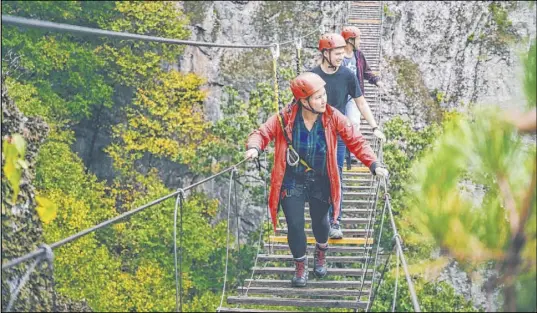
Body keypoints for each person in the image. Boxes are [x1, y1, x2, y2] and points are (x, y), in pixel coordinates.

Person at [244, 72, 389, 287]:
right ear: (304, 101)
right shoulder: (285, 118)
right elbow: (262, 132)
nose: (324, 100)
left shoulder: (333, 116)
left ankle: (321, 251)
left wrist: (374, 164)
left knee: (321, 223)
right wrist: (254, 147)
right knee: (294, 225)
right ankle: (300, 266)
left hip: (321, 178)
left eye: (324, 95)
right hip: (292, 179)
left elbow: (356, 141)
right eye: (318, 97)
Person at [309, 33, 386, 239]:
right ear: (325, 53)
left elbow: (360, 102)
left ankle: (335, 222)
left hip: (339, 134)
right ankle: (320, 217)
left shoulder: (348, 76)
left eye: (343, 53)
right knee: (316, 176)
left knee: (337, 174)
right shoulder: (312, 77)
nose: (341, 57)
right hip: (315, 135)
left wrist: (374, 126)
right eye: (337, 53)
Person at [341, 26, 385, 168]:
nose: (360, 41)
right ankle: (341, 151)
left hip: (354, 95)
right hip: (340, 95)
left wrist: (376, 81)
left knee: (354, 122)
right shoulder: (338, 56)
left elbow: (366, 72)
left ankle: (353, 152)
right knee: (339, 124)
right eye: (358, 38)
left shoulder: (358, 56)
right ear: (350, 40)